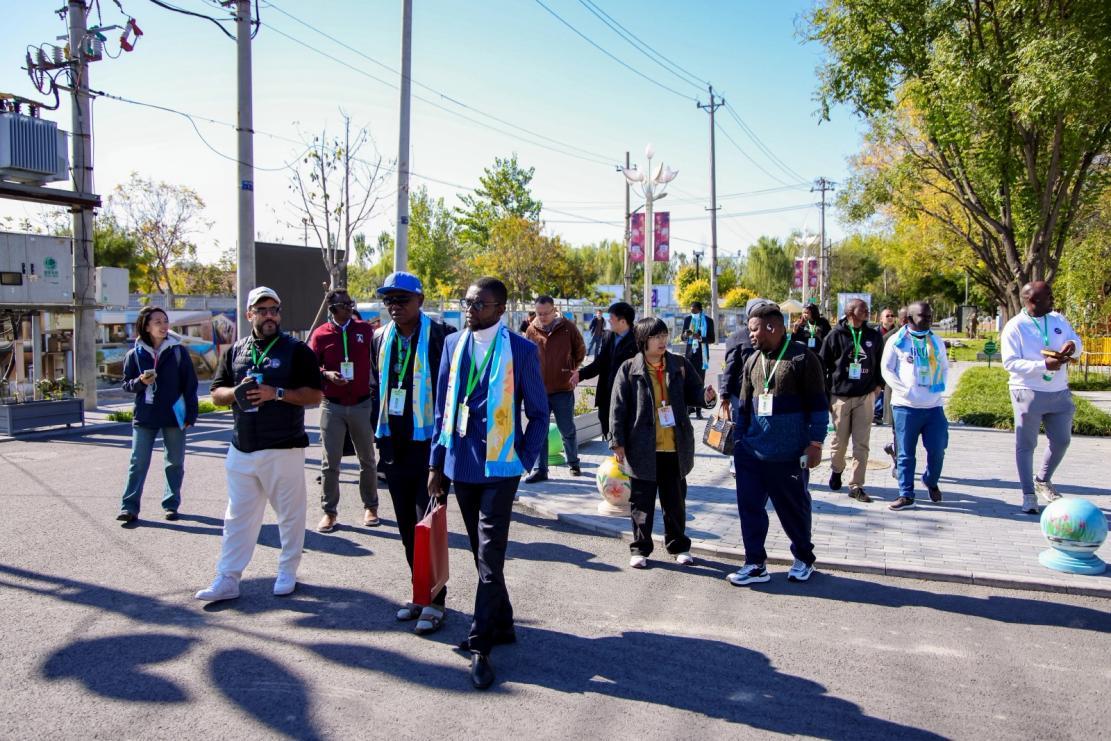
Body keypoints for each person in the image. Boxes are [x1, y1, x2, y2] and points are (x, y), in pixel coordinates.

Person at [428, 277, 548, 690]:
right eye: (467, 302)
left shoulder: (521, 350)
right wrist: (436, 465)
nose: (470, 309)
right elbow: (443, 407)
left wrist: (523, 459)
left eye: (480, 304)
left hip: (500, 468)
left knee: (489, 553)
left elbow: (538, 412)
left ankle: (481, 645)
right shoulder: (451, 345)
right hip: (461, 465)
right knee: (481, 552)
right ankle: (506, 622)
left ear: (500, 309)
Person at [195, 287, 323, 602]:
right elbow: (216, 393)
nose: (269, 316)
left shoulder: (297, 350)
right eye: (262, 310)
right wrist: (235, 392)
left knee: (290, 516)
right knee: (236, 517)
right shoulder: (235, 350)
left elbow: (314, 395)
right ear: (249, 314)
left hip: (283, 447)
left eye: (274, 310)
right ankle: (227, 578)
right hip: (242, 447)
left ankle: (287, 570)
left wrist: (276, 393)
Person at [719, 302, 828, 585]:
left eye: (754, 329)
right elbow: (743, 405)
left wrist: (815, 443)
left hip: (788, 454)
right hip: (751, 454)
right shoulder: (753, 359)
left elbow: (818, 406)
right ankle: (755, 563)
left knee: (794, 509)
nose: (750, 334)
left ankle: (804, 558)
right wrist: (740, 442)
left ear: (773, 327)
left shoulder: (803, 359)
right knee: (750, 509)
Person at [372, 271, 456, 633]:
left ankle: (437, 601)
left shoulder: (443, 337)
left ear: (420, 300)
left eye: (401, 299)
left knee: (429, 525)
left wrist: (444, 453)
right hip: (394, 444)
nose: (394, 306)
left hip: (429, 447)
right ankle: (420, 593)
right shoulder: (379, 338)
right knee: (407, 525)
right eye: (389, 300)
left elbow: (453, 396)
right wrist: (378, 440)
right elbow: (378, 390)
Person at [610, 317, 715, 569]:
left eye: (665, 335)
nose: (663, 341)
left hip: (674, 447)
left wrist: (706, 397)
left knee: (675, 502)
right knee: (641, 504)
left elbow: (695, 393)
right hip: (642, 447)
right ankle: (640, 549)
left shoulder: (679, 364)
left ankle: (679, 545)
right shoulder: (629, 369)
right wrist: (618, 442)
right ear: (643, 340)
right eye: (657, 337)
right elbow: (618, 408)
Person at [1000, 281, 1082, 514]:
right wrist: (1043, 365)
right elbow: (1010, 362)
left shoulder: (1058, 320)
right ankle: (1028, 494)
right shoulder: (1015, 327)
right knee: (1026, 444)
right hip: (1027, 392)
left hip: (1059, 392)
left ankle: (1043, 480)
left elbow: (1077, 343)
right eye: (1049, 296)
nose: (1053, 299)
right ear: (1032, 301)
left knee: (1062, 440)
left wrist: (1072, 345)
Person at [116, 305, 199, 523]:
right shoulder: (134, 355)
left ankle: (171, 504)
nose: (163, 325)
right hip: (145, 416)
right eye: (157, 322)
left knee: (175, 462)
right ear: (146, 326)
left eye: (165, 321)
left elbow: (190, 385)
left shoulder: (179, 352)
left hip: (174, 415)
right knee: (138, 462)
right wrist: (140, 382)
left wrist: (191, 415)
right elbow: (126, 385)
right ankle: (129, 507)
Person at [308, 289, 379, 532]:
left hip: (361, 403)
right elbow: (310, 368)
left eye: (350, 303)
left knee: (367, 459)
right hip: (332, 405)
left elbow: (379, 359)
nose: (349, 307)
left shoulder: (365, 330)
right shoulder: (320, 335)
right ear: (331, 308)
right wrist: (326, 374)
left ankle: (371, 507)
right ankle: (329, 512)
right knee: (330, 463)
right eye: (343, 304)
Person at [880, 301, 949, 511]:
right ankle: (906, 494)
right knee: (905, 453)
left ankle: (930, 480)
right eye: (923, 317)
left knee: (938, 450)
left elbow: (944, 367)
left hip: (933, 407)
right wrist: (904, 390)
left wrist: (938, 388)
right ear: (909, 319)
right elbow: (887, 369)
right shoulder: (897, 341)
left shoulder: (936, 341)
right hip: (905, 407)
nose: (928, 320)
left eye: (930, 316)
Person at [819, 299, 883, 503]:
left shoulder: (873, 335)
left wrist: (878, 385)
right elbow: (822, 365)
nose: (867, 312)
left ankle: (856, 485)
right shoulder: (835, 336)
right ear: (850, 313)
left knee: (861, 444)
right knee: (839, 441)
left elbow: (880, 362)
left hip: (865, 396)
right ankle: (837, 470)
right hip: (841, 397)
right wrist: (827, 392)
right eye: (862, 309)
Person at [524, 295, 586, 482]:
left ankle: (573, 462)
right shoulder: (531, 331)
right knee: (539, 431)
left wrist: (571, 368)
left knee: (566, 428)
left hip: (562, 388)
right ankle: (541, 469)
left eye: (546, 313)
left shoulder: (568, 328)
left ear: (554, 310)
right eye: (538, 313)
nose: (542, 317)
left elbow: (580, 349)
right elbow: (526, 357)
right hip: (539, 390)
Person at [576, 301, 637, 440]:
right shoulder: (608, 336)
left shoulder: (637, 340)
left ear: (623, 321)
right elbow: (599, 363)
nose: (608, 320)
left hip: (626, 395)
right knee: (607, 427)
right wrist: (579, 375)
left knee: (625, 434)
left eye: (612, 318)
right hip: (606, 394)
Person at [681, 301, 716, 419]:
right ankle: (688, 408)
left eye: (694, 310)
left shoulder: (708, 321)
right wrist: (686, 335)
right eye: (691, 310)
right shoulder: (687, 320)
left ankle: (699, 410)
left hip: (702, 357)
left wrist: (700, 338)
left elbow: (712, 339)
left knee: (700, 382)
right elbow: (682, 338)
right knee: (687, 382)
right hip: (689, 356)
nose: (692, 312)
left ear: (700, 310)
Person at [873, 307, 899, 423]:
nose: (890, 318)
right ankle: (877, 413)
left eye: (892, 315)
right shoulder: (874, 332)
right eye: (887, 316)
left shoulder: (899, 333)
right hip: (877, 363)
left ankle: (889, 414)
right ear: (881, 318)